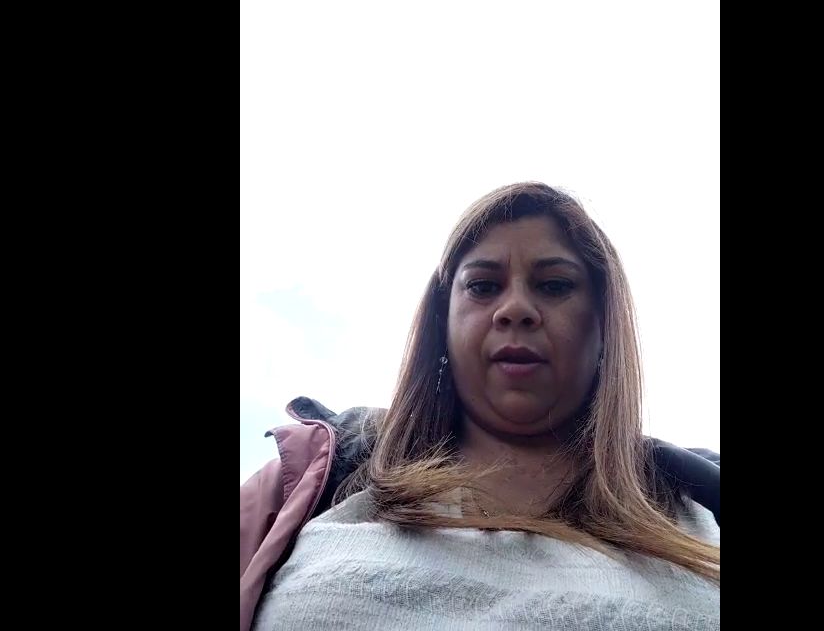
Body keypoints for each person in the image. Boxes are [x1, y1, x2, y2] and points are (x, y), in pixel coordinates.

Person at [240, 182, 720, 630]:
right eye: (483, 286)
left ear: (604, 323)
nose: (515, 309)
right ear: (442, 322)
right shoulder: (311, 476)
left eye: (554, 285)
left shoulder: (703, 499)